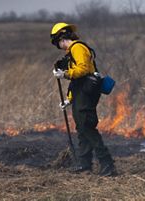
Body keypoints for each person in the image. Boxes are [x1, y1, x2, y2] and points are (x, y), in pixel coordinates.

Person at [50, 22, 116, 176]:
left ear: (62, 37)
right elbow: (76, 83)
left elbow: (83, 70)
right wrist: (69, 99)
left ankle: (107, 165)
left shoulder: (77, 48)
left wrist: (64, 74)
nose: (59, 46)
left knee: (87, 127)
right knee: (81, 129)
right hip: (81, 93)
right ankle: (85, 164)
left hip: (87, 93)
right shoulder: (72, 51)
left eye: (57, 42)